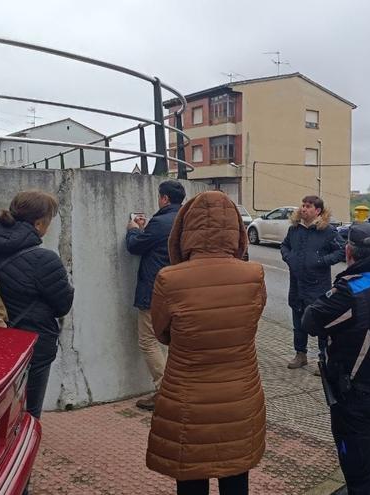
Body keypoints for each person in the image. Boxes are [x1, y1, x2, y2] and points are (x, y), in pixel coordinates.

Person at [147, 191, 266, 495]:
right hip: (240, 395)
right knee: (236, 477)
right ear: (236, 232)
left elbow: (161, 334)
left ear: (185, 231)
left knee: (190, 478)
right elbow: (251, 322)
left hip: (186, 396)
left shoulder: (169, 279)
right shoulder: (253, 275)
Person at [301, 223, 370, 495]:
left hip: (353, 395)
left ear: (349, 252)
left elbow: (310, 320)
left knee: (357, 471)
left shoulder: (350, 291)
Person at [0, 190, 74, 418]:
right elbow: (63, 305)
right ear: (39, 224)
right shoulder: (44, 259)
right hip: (33, 343)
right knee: (28, 413)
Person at [125, 179, 185, 411]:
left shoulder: (160, 222)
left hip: (156, 291)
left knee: (148, 339)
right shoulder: (186, 219)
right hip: (180, 290)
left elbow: (136, 247)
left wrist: (134, 231)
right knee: (174, 342)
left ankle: (165, 390)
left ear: (164, 199)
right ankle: (179, 386)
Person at [280, 195, 345, 369]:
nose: (304, 209)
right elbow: (284, 246)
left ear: (317, 211)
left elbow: (341, 251)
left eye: (308, 206)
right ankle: (300, 355)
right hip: (297, 284)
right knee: (298, 322)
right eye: (303, 205)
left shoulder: (328, 231)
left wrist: (321, 261)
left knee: (321, 324)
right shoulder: (294, 229)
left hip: (317, 286)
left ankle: (323, 359)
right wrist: (289, 257)